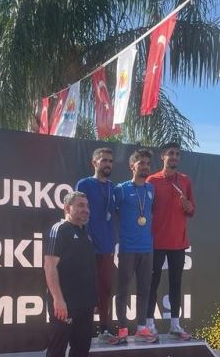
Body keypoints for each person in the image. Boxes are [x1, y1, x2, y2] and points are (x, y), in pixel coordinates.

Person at [43, 191, 102, 357]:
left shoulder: (86, 233)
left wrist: (93, 300)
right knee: (57, 350)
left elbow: (88, 270)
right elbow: (50, 267)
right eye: (80, 206)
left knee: (81, 348)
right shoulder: (59, 230)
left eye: (87, 206)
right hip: (64, 304)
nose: (86, 210)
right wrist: (58, 299)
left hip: (85, 304)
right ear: (67, 208)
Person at [147, 141, 195, 340]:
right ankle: (149, 324)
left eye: (177, 154)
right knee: (152, 283)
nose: (174, 157)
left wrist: (187, 206)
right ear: (163, 156)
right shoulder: (152, 180)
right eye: (171, 153)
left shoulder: (185, 180)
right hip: (156, 242)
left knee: (176, 284)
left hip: (178, 242)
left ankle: (175, 325)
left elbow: (192, 210)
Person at [112, 150, 158, 344]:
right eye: (141, 163)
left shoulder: (151, 189)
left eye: (147, 163)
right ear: (132, 166)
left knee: (144, 290)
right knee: (122, 290)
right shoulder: (121, 189)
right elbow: (112, 214)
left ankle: (141, 328)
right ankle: (122, 329)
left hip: (147, 248)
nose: (145, 166)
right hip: (127, 248)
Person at [76, 148, 117, 342]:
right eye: (104, 160)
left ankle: (104, 330)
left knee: (105, 289)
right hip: (88, 246)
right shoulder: (84, 184)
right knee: (84, 289)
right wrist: (83, 236)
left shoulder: (113, 188)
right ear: (95, 163)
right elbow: (76, 212)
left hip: (107, 246)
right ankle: (80, 330)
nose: (108, 164)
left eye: (110, 161)